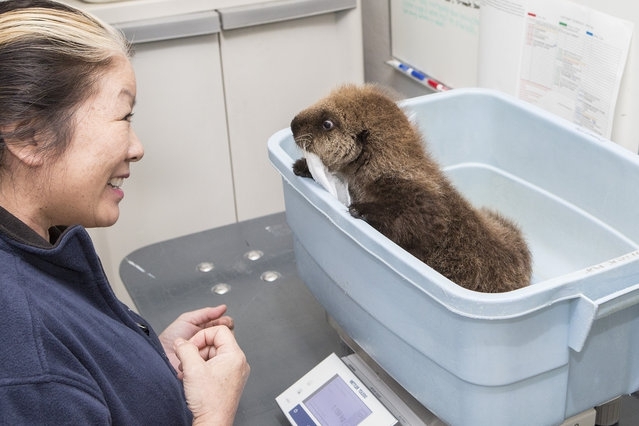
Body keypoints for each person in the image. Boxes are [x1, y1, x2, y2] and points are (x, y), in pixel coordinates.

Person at [0, 0, 250, 424]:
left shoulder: (36, 247)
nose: (137, 147)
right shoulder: (24, 363)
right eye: (124, 117)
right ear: (29, 137)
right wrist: (214, 414)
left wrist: (144, 361)